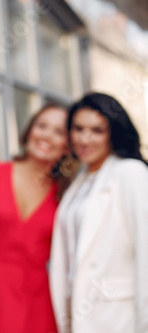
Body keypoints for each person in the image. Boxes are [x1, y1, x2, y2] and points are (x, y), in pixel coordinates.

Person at [0, 104, 73, 333]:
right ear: (29, 131)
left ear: (67, 147)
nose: (47, 135)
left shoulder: (65, 195)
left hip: (40, 303)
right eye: (42, 126)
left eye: (59, 132)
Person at [49, 92, 148, 333]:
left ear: (113, 133)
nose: (85, 138)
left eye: (97, 130)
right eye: (78, 128)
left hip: (118, 318)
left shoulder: (131, 172)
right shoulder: (79, 180)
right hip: (80, 316)